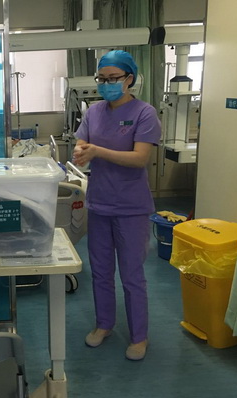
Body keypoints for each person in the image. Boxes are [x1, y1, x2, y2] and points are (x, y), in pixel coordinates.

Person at [72, 50, 161, 361]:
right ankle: (104, 324)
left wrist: (97, 151)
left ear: (129, 79)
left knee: (132, 275)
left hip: (131, 207)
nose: (106, 84)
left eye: (113, 78)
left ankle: (139, 337)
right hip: (99, 204)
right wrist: (80, 150)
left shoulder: (144, 113)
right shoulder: (94, 112)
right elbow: (81, 142)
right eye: (102, 79)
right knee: (100, 271)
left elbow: (139, 158)